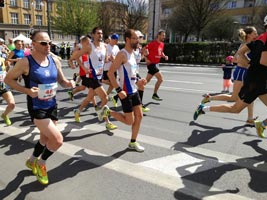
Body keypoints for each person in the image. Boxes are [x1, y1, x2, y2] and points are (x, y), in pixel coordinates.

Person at [4, 31, 75, 185]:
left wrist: (69, 83)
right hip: (37, 106)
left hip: (52, 104)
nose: (48, 45)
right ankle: (41, 163)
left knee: (45, 138)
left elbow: (62, 81)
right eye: (43, 43)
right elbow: (8, 79)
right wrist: (27, 91)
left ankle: (31, 160)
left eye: (49, 42)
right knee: (57, 140)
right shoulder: (25, 62)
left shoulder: (54, 60)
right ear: (33, 44)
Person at [193, 16, 267, 139]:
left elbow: (241, 52)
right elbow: (264, 61)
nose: (256, 33)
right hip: (255, 82)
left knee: (235, 107)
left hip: (258, 80)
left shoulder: (260, 38)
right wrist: (249, 65)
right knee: (235, 106)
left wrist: (250, 65)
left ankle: (261, 125)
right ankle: (204, 107)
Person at [200, 26, 258, 126]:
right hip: (241, 72)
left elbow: (234, 59)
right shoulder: (246, 45)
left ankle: (250, 118)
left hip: (245, 72)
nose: (256, 35)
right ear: (248, 35)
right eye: (254, 33)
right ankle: (209, 99)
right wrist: (249, 64)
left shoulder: (249, 44)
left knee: (250, 95)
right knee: (234, 98)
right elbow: (237, 60)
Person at [105, 29, 146, 152]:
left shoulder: (133, 54)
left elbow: (132, 72)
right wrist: (118, 90)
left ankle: (132, 143)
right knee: (129, 121)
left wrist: (139, 80)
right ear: (127, 39)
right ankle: (108, 112)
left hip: (134, 90)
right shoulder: (122, 54)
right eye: (134, 38)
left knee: (139, 116)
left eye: (137, 38)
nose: (137, 41)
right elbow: (111, 73)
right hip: (125, 92)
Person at [68, 27, 117, 130]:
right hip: (92, 77)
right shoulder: (89, 47)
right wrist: (82, 67)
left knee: (89, 97)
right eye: (98, 33)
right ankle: (105, 119)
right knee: (105, 97)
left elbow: (104, 59)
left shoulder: (104, 46)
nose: (100, 35)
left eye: (101, 33)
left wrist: (111, 59)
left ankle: (78, 111)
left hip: (99, 76)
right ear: (93, 35)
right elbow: (75, 56)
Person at [145, 30, 168, 101]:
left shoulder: (162, 44)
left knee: (146, 81)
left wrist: (164, 56)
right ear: (158, 35)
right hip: (151, 64)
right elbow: (144, 50)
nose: (164, 37)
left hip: (156, 64)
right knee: (160, 79)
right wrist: (146, 59)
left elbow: (161, 52)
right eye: (163, 35)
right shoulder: (153, 43)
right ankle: (154, 94)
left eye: (164, 35)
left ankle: (135, 91)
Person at [102, 33, 120, 102]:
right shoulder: (106, 46)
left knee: (113, 84)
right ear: (112, 39)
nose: (117, 41)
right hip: (106, 68)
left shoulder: (116, 47)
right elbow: (103, 57)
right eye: (116, 40)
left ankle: (106, 95)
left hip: (113, 68)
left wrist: (114, 59)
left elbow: (118, 56)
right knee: (113, 83)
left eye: (117, 40)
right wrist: (108, 58)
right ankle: (101, 81)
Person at [0, 56, 15, 126]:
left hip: (3, 86)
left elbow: (7, 66)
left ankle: (4, 115)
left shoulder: (2, 59)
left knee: (12, 104)